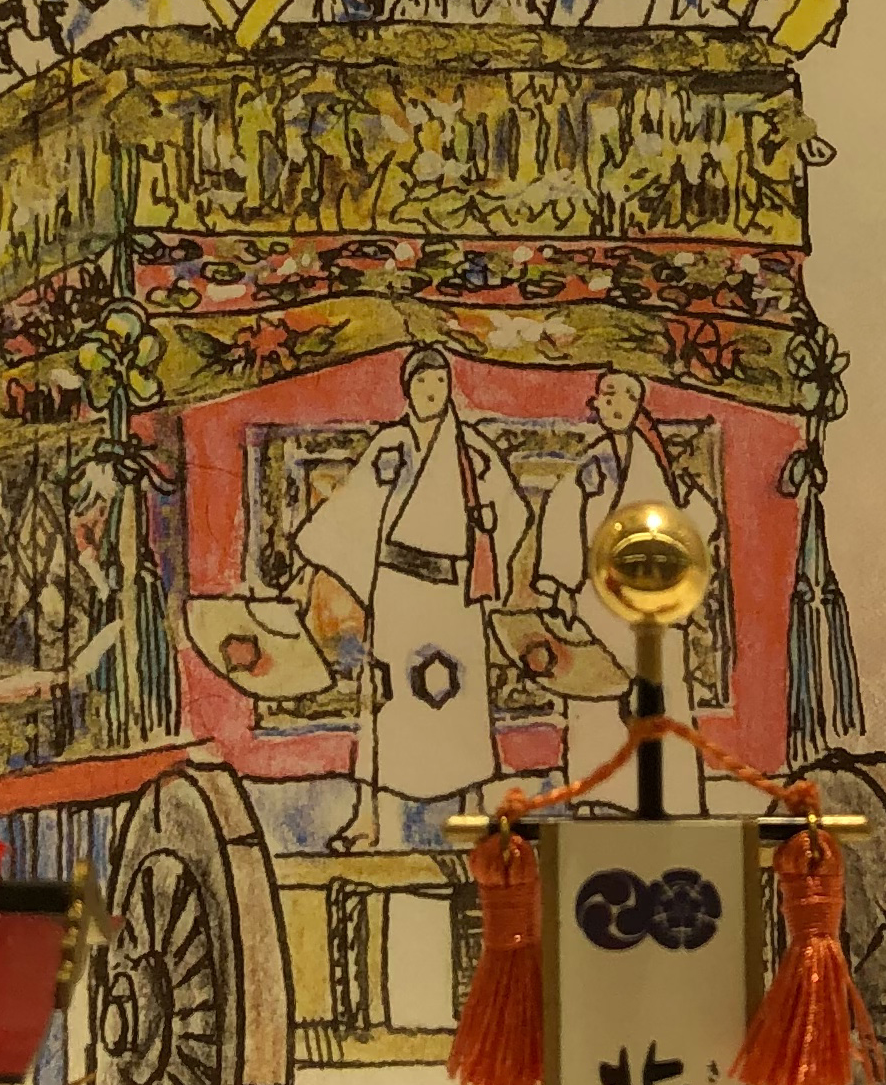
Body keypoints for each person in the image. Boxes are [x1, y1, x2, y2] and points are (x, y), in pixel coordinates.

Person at [291, 345, 530, 843]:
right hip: (397, 587)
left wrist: (487, 541)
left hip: (455, 593)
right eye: (422, 381)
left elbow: (514, 512)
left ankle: (472, 808)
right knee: (385, 696)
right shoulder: (390, 447)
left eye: (439, 382)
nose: (431, 391)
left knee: (462, 694)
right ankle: (368, 816)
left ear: (449, 388)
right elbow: (351, 512)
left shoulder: (473, 452)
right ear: (407, 389)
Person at [532, 366, 725, 804]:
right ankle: (599, 796)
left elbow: (682, 525)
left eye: (625, 396)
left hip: (654, 600)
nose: (616, 404)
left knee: (664, 693)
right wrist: (561, 587)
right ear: (597, 404)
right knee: (600, 695)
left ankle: (674, 797)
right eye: (608, 395)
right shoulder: (589, 466)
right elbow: (561, 521)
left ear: (638, 406)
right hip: (597, 599)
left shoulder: (652, 463)